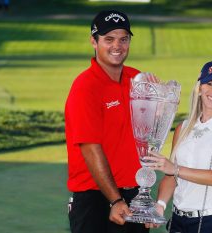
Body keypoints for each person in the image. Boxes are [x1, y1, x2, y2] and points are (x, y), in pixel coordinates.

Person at [65, 10, 154, 233]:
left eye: (124, 39)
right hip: (96, 199)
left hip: (134, 195)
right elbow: (90, 148)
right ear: (93, 42)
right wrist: (115, 200)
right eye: (109, 39)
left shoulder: (137, 79)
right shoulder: (85, 87)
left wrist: (162, 106)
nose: (117, 46)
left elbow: (148, 133)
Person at [145, 61, 212, 233]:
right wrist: (160, 204)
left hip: (211, 223)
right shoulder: (183, 128)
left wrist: (175, 168)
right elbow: (171, 176)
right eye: (209, 83)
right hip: (177, 221)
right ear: (199, 88)